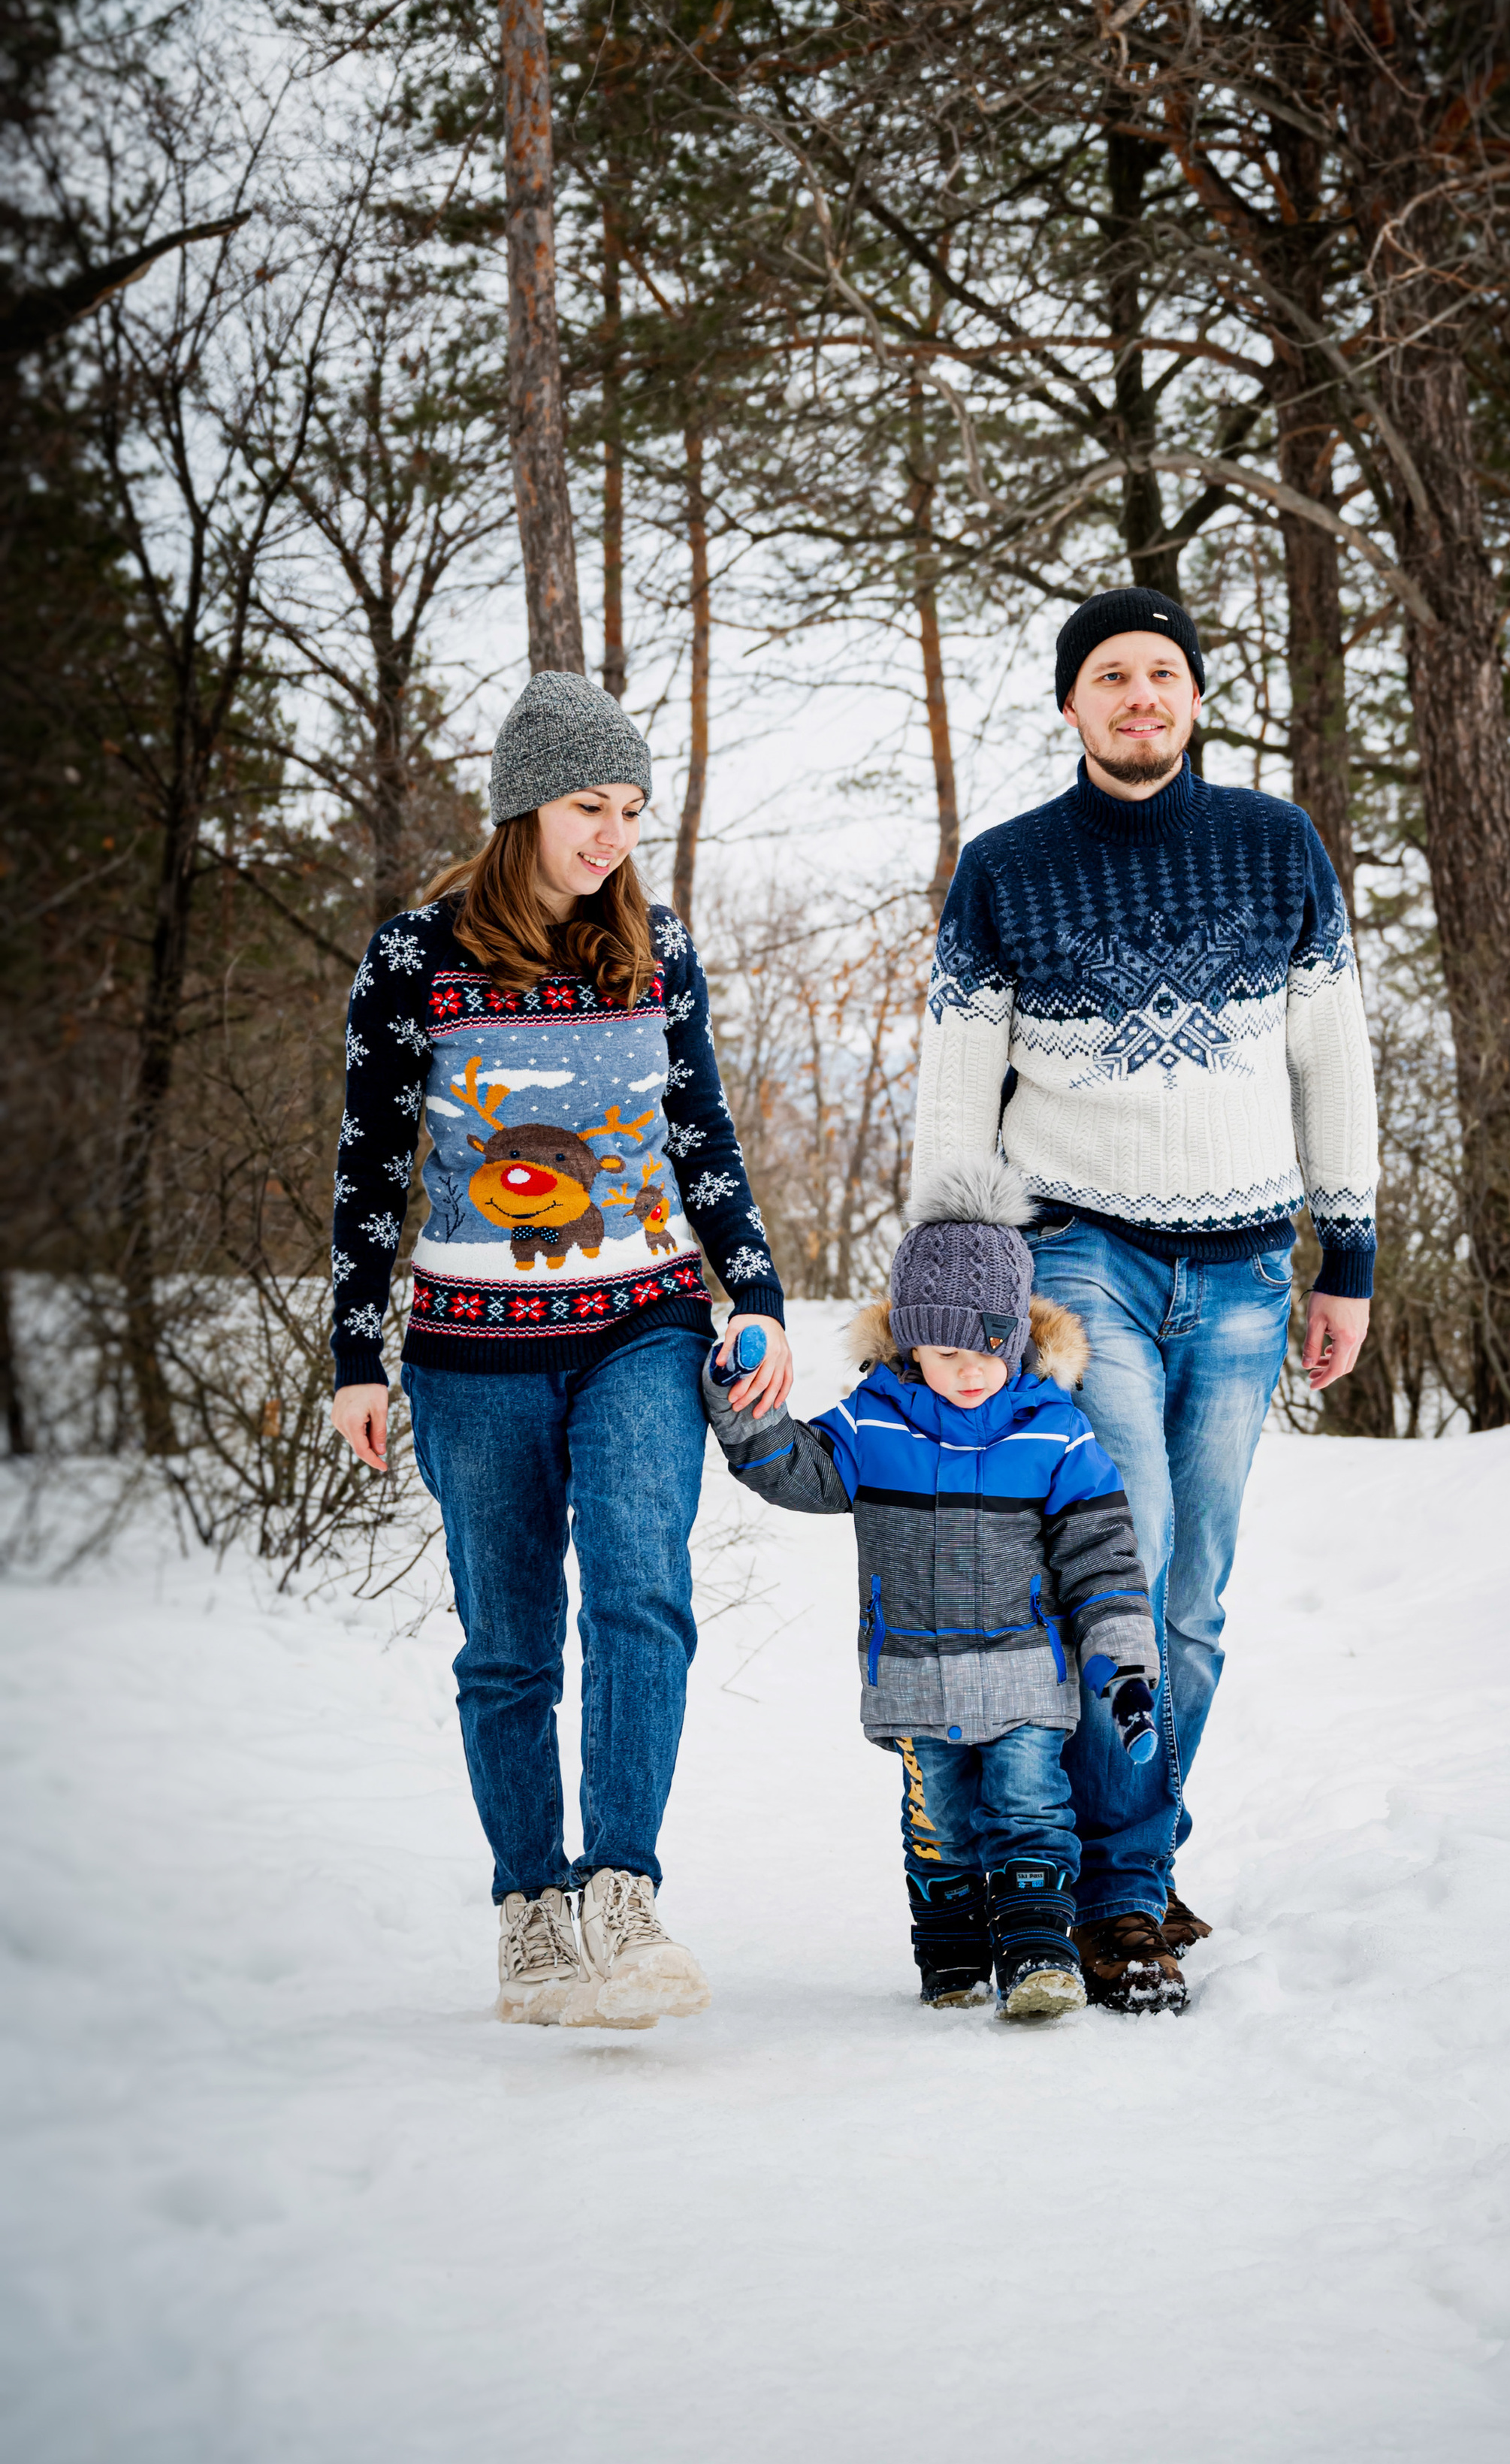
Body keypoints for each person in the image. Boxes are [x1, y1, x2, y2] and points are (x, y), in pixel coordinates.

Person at [910, 584, 1379, 2011]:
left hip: (1245, 1269)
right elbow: (954, 1097)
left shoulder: (1278, 847)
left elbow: (1335, 1059)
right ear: (1072, 704)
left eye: (1162, 671)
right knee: (1128, 1556)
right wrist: (949, 1286)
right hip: (1077, 1259)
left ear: (1194, 698)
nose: (1139, 695)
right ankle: (1116, 1896)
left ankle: (1128, 1856)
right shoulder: (1005, 870)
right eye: (1110, 674)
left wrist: (1348, 1255)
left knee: (1192, 1601)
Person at [328, 670, 792, 2030]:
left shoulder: (658, 949)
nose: (613, 835)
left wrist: (756, 1291)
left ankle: (623, 1888)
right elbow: (370, 1169)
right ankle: (531, 1904)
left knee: (641, 1589)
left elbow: (703, 1134)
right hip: (469, 1347)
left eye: (632, 809)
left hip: (644, 1323)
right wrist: (356, 1355)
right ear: (524, 804)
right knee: (508, 1642)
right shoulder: (413, 960)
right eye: (591, 805)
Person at [700, 1154, 1163, 2018]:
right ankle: (952, 1961)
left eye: (991, 1347)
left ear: (1017, 1336)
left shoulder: (1055, 1432)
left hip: (1028, 1674)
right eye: (948, 1350)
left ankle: (1038, 1956)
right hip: (916, 1675)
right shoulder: (873, 1421)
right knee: (940, 1825)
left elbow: (1104, 1557)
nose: (972, 1368)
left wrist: (1125, 1667)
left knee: (1030, 1809)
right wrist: (742, 1406)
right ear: (910, 1340)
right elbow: (798, 1469)